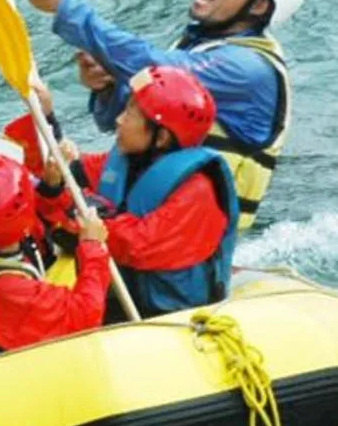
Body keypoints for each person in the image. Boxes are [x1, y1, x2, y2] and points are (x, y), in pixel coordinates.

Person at [16, 0, 305, 231]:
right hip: (141, 212)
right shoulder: (201, 44)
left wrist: (64, 6)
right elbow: (127, 122)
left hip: (186, 237)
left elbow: (152, 64)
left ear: (258, 6)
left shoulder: (248, 69)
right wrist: (108, 87)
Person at [56, 67, 240, 316]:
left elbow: (139, 246)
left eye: (130, 113)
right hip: (124, 300)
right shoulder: (129, 159)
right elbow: (80, 174)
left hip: (172, 315)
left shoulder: (198, 191)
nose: (119, 119)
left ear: (161, 137)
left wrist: (82, 219)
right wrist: (56, 169)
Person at [0, 151, 114, 362]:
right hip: (1, 383)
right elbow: (86, 316)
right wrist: (93, 247)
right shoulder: (5, 288)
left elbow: (35, 235)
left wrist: (50, 189)